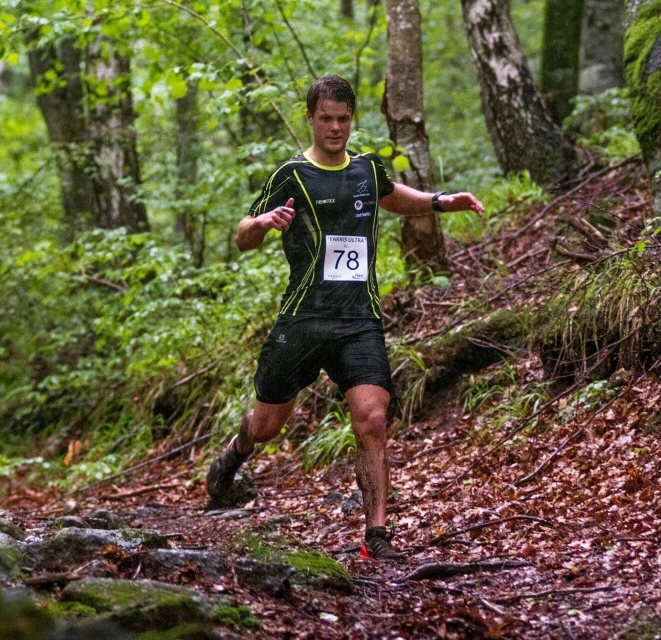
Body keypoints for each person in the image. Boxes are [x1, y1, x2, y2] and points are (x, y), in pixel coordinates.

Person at [206, 75, 484, 561]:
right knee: (269, 425)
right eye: (326, 119)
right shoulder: (291, 174)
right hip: (303, 319)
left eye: (343, 119)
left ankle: (376, 535)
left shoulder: (366, 170)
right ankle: (237, 451)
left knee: (373, 419)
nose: (335, 128)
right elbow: (242, 235)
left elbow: (394, 196)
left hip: (358, 320)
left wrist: (441, 201)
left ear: (351, 119)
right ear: (310, 119)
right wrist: (264, 223)